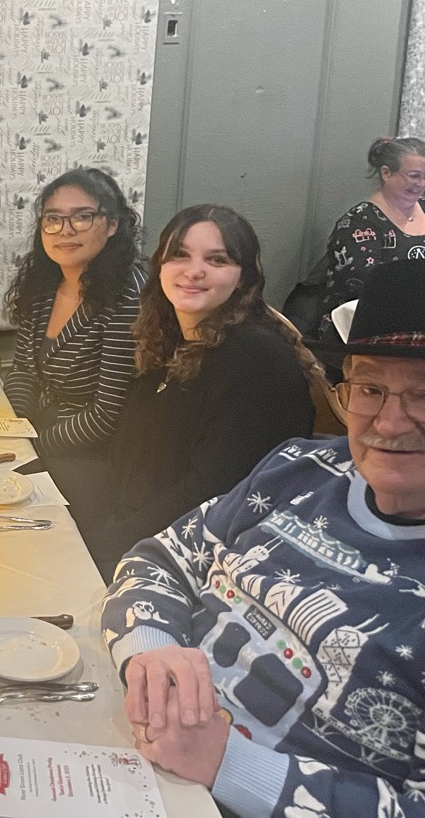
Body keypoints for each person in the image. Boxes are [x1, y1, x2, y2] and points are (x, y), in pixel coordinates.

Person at [100, 259, 425, 818]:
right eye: (370, 387)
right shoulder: (300, 467)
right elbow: (162, 557)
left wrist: (229, 765)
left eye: (423, 395)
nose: (389, 423)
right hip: (128, 739)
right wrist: (151, 653)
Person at [86, 205, 319, 576]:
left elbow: (209, 493)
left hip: (192, 559)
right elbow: (131, 461)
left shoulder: (254, 356)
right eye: (180, 255)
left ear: (244, 278)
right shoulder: (171, 338)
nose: (194, 271)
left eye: (217, 259)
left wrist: (96, 546)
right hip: (138, 530)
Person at [3, 167, 144, 507]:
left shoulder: (127, 295)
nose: (65, 230)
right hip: (38, 437)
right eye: (53, 219)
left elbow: (106, 414)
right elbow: (23, 369)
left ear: (112, 225)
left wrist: (32, 446)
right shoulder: (43, 283)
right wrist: (12, 428)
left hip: (92, 459)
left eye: (82, 217)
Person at [316, 135, 425, 340]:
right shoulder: (359, 223)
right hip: (368, 329)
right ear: (386, 173)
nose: (421, 184)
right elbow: (362, 287)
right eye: (414, 176)